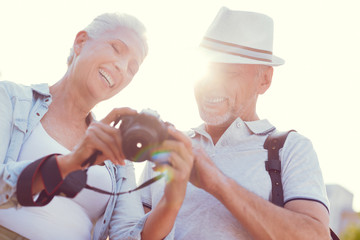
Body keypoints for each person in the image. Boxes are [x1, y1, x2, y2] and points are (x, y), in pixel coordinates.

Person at [140, 6, 331, 239]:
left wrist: (218, 183)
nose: (210, 84)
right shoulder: (166, 147)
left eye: (229, 72)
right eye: (206, 69)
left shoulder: (290, 149)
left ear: (265, 79)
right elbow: (128, 232)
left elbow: (315, 236)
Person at [0, 12, 193, 240]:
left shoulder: (118, 160)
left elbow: (128, 236)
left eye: (132, 68)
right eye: (116, 48)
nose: (122, 67)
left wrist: (172, 200)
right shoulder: (11, 99)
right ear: (80, 42)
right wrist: (72, 162)